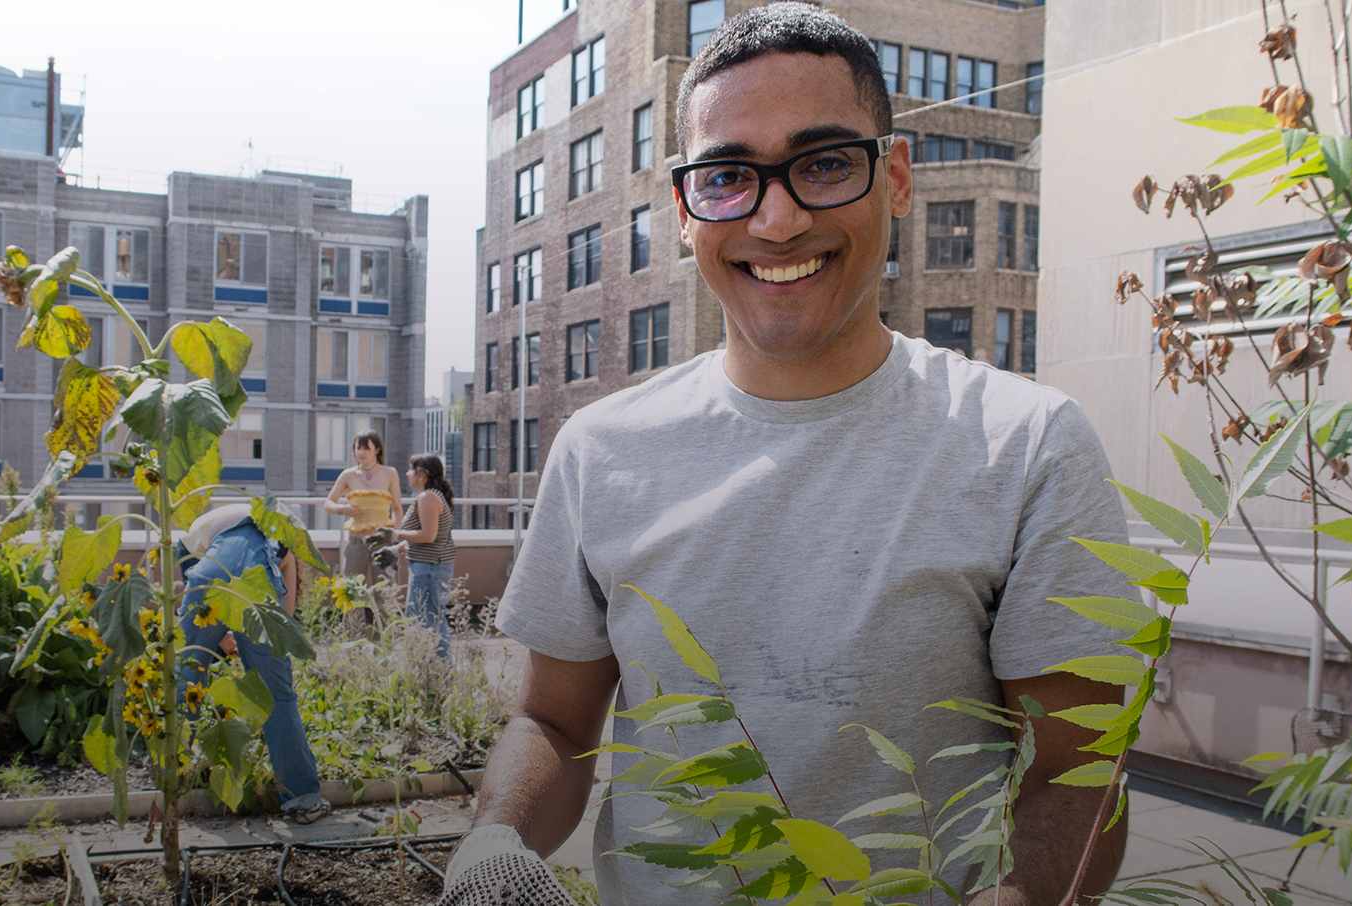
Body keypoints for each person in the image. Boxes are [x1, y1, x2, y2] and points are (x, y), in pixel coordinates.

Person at [441, 6, 1131, 905]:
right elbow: (553, 720)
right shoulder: (599, 453)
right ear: (684, 211)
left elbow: (1076, 776)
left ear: (898, 179)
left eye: (826, 164)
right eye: (729, 176)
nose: (777, 218)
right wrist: (493, 841)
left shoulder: (1027, 447)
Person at [176, 503, 332, 824]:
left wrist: (221, 634)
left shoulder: (204, 526)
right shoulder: (284, 535)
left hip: (207, 576)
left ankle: (170, 772)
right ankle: (303, 797)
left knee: (185, 678)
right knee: (276, 695)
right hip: (257, 588)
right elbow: (282, 623)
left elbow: (197, 579)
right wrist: (257, 644)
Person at [392, 453, 456, 659]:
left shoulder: (428, 497)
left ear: (423, 473)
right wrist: (396, 548)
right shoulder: (432, 496)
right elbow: (426, 536)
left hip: (429, 569)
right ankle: (431, 677)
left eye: (411, 468)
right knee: (427, 620)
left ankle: (438, 678)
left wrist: (393, 535)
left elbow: (428, 536)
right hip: (429, 567)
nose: (407, 473)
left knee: (428, 622)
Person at [322, 430, 402, 581]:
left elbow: (397, 507)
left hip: (382, 541)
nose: (361, 452)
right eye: (358, 448)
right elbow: (328, 503)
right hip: (355, 541)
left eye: (366, 448)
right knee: (352, 589)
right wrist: (342, 509)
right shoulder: (348, 474)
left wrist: (396, 536)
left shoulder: (390, 473)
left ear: (376, 450)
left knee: (384, 591)